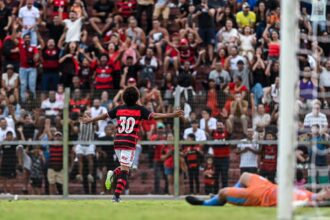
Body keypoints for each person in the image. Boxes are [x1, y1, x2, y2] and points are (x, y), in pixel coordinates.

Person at [80, 86, 184, 202]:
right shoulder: (139, 109)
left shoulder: (119, 108)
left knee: (125, 167)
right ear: (137, 97)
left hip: (118, 141)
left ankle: (114, 178)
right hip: (129, 142)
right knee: (125, 170)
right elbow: (155, 115)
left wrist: (90, 120)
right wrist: (172, 115)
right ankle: (116, 194)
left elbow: (105, 116)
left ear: (124, 97)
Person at [186, 172, 330, 207]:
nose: (327, 187)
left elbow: (317, 203)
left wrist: (322, 199)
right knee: (244, 176)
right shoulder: (311, 193)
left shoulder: (312, 201)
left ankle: (207, 202)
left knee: (224, 191)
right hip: (268, 186)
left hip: (259, 196)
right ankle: (219, 197)